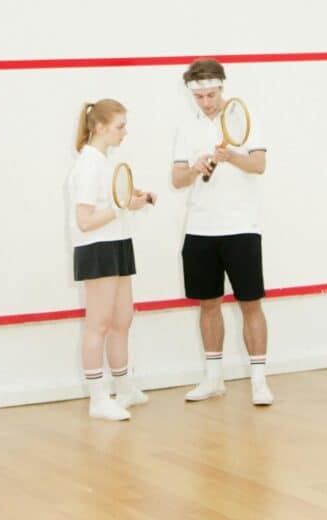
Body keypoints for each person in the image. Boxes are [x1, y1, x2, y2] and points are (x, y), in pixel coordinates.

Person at [171, 59, 273, 406]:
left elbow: (258, 165)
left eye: (211, 94)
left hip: (241, 227)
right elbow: (177, 179)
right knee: (208, 305)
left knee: (250, 304)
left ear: (222, 88)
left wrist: (231, 157)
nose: (207, 102)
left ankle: (259, 382)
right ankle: (214, 379)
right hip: (200, 229)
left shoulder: (244, 118)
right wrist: (195, 168)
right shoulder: (186, 128)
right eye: (200, 96)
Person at [66, 99, 154, 420]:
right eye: (120, 126)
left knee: (122, 320)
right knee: (98, 325)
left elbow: (112, 202)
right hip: (97, 249)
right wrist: (122, 207)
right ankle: (97, 398)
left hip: (117, 244)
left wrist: (135, 200)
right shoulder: (87, 165)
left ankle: (125, 388)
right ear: (100, 127)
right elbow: (85, 220)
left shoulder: (103, 162)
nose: (125, 132)